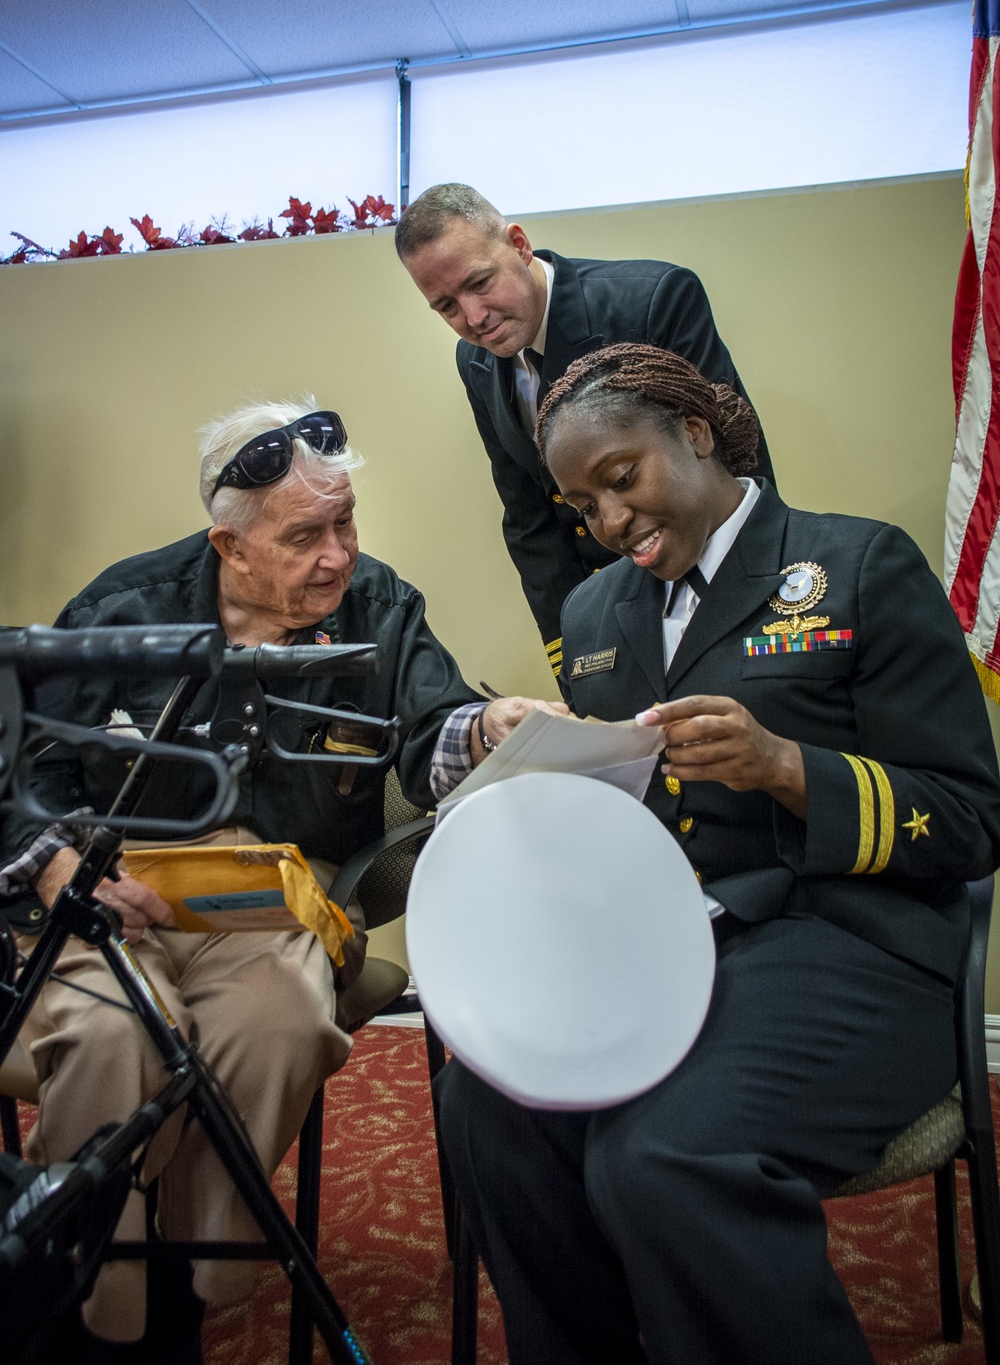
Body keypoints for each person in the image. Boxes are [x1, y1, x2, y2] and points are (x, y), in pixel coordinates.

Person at [433, 344, 1000, 1365]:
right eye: (582, 505)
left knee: (664, 1155)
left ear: (694, 434)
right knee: (489, 1102)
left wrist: (787, 766)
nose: (609, 522)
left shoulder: (857, 564)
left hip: (849, 945)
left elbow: (967, 816)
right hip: (669, 945)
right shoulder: (595, 613)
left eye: (621, 479)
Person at [0, 399, 559, 1364]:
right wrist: (55, 862)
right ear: (231, 545)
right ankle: (85, 1294)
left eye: (345, 522)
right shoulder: (127, 609)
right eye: (306, 535)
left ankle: (188, 1284)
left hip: (271, 908)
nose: (338, 554)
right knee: (114, 1034)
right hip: (114, 898)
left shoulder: (379, 606)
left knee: (282, 1024)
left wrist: (486, 726)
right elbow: (24, 769)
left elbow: (433, 725)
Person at [395, 183, 775, 672]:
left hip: (713, 587)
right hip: (606, 617)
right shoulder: (475, 361)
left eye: (480, 283)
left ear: (518, 244)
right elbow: (528, 516)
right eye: (446, 306)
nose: (474, 318)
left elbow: (734, 460)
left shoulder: (653, 299)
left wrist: (753, 616)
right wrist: (572, 656)